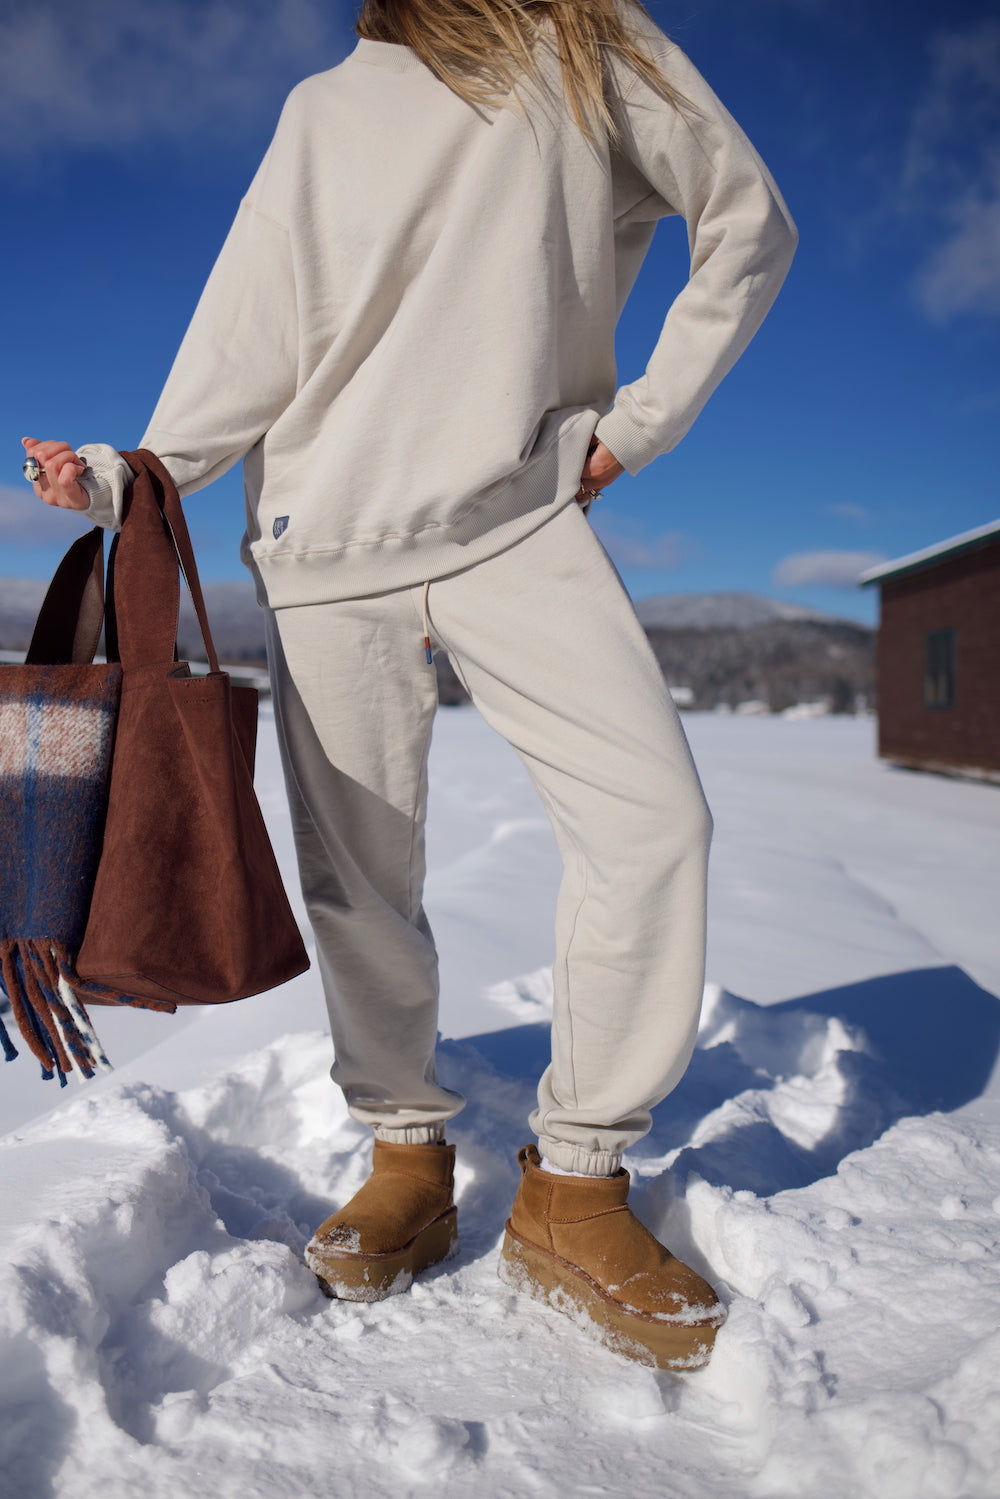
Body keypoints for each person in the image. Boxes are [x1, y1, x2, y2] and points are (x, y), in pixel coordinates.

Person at [24, 0, 796, 1369]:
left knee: (652, 825)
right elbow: (253, 333)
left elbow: (747, 219)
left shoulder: (585, 42)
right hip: (323, 550)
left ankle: (575, 1183)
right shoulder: (326, 108)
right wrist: (135, 468)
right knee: (361, 880)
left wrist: (636, 426)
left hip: (518, 520)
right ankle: (405, 1149)